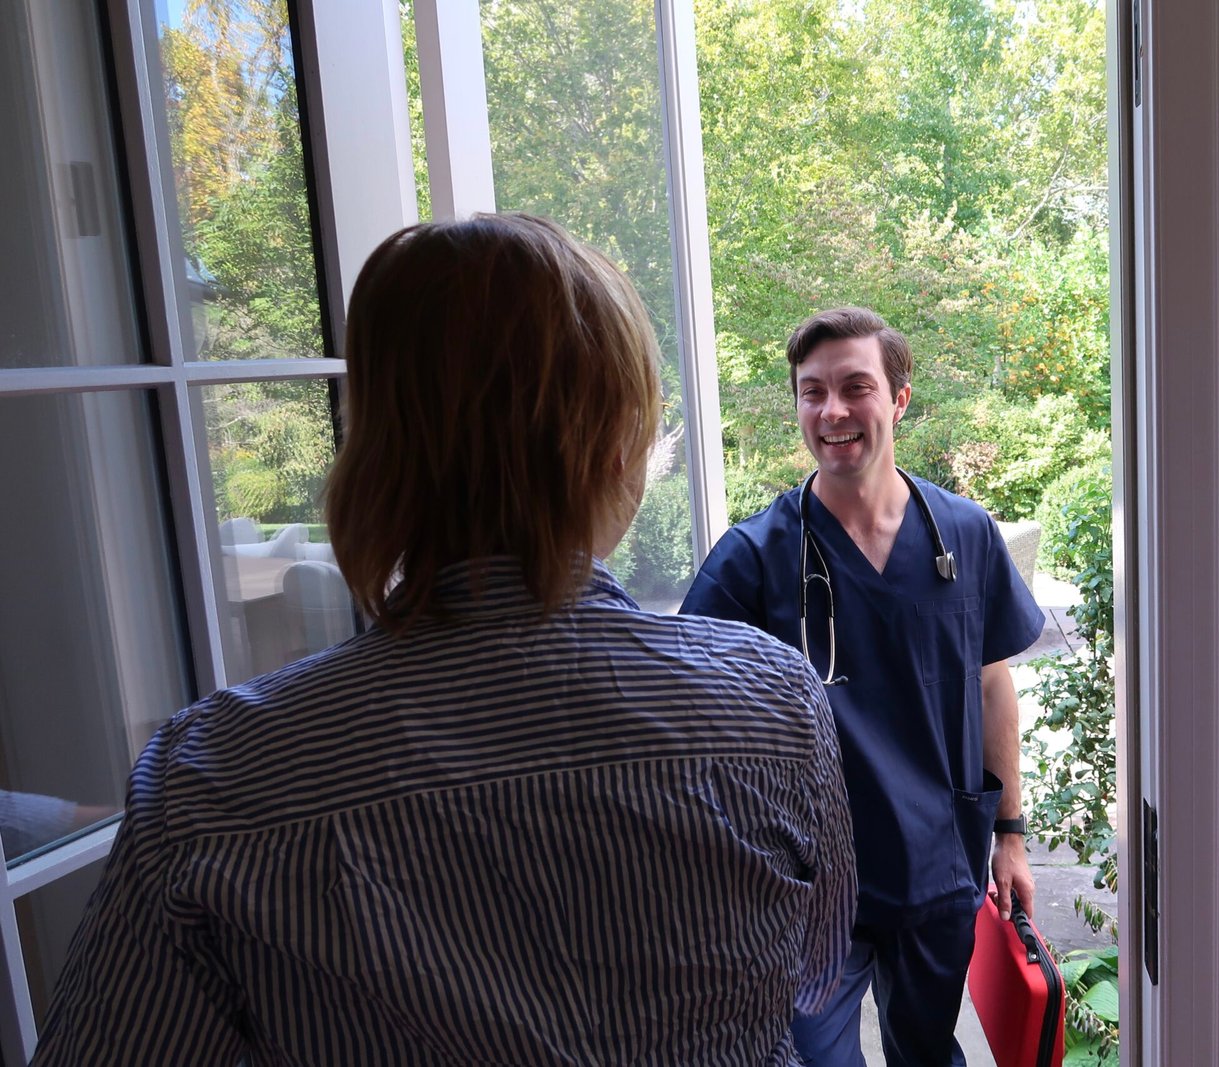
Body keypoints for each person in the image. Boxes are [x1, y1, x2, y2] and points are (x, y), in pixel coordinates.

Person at [32, 214, 855, 1066]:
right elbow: (815, 969)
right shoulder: (773, 702)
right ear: (619, 447)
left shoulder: (215, 775)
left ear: (373, 451)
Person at [680, 307, 1045, 1066]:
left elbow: (991, 685)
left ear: (899, 399)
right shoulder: (752, 557)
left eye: (856, 387)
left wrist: (1010, 835)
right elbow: (692, 715)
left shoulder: (964, 534)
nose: (832, 411)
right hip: (808, 888)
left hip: (937, 864)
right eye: (812, 392)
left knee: (926, 1053)